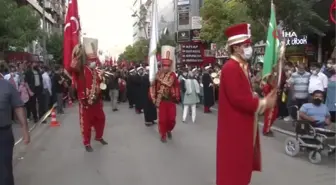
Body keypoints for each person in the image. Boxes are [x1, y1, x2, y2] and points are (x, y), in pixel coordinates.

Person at [217, 23, 277, 185]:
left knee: (241, 167)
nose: (249, 48)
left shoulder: (241, 67)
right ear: (236, 48)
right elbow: (238, 99)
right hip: (235, 127)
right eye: (246, 45)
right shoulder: (231, 68)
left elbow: (242, 94)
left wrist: (255, 95)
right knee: (234, 171)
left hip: (242, 124)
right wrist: (264, 102)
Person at [70, 43, 108, 152]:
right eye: (92, 60)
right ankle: (87, 143)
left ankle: (99, 136)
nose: (94, 62)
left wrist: (104, 78)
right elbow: (72, 66)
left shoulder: (95, 71)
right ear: (86, 60)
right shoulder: (81, 69)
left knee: (101, 119)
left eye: (95, 60)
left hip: (96, 100)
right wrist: (80, 51)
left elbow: (101, 83)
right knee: (86, 124)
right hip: (85, 101)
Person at [0, 78, 30, 185]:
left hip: (3, 135)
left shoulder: (7, 86)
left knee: (4, 171)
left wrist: (25, 131)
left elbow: (18, 107)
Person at [150, 52, 180, 143]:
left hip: (171, 100)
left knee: (172, 120)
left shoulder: (172, 75)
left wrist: (177, 96)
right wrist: (153, 97)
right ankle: (163, 135)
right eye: (164, 66)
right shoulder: (157, 75)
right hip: (162, 101)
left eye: (168, 66)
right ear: (162, 66)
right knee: (162, 120)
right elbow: (153, 87)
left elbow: (172, 84)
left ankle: (168, 129)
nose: (166, 67)